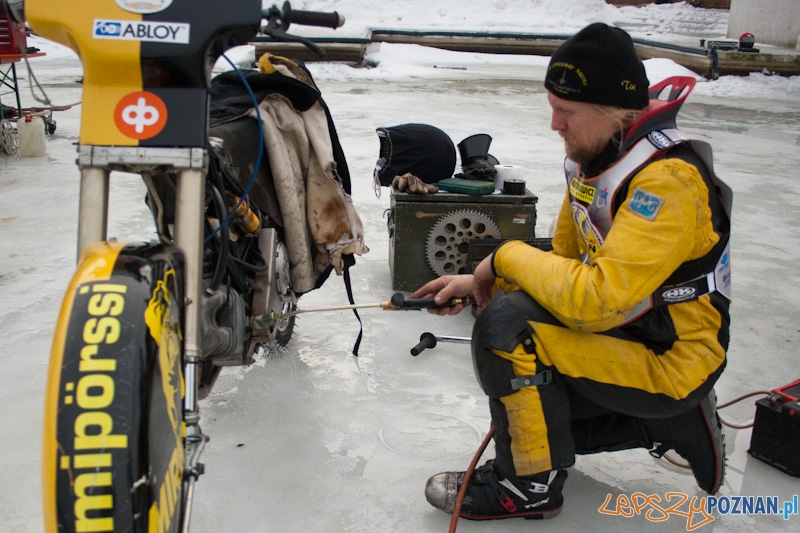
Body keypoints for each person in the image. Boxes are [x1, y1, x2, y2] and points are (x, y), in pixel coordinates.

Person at [411, 22, 731, 521]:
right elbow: (563, 266)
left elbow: (594, 298)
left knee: (507, 331)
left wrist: (500, 260)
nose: (555, 125)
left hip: (672, 357)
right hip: (629, 333)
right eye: (552, 108)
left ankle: (528, 488)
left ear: (615, 111)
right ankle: (669, 425)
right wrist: (478, 285)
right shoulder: (595, 162)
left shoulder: (667, 183)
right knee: (544, 423)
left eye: (567, 112)